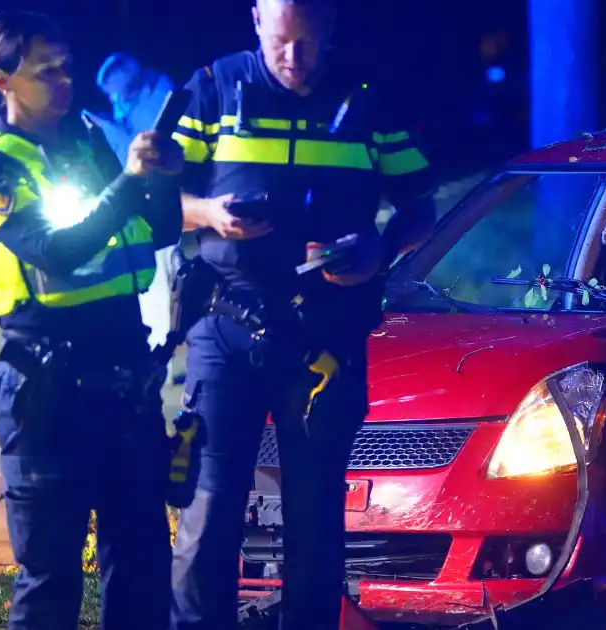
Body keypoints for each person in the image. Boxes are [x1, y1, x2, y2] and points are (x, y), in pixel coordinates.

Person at [168, 0, 437, 628]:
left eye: (308, 42)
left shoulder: (368, 101)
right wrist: (210, 214)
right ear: (256, 20)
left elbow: (419, 207)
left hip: (326, 334)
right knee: (209, 510)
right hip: (226, 323)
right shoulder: (212, 90)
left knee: (315, 516)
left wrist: (378, 249)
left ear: (331, 30)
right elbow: (152, 201)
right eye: (282, 41)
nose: (294, 58)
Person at [0, 10, 184, 630]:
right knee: (52, 579)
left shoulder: (87, 141)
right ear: (2, 81)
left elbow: (158, 229)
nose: (64, 80)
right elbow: (56, 251)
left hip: (125, 382)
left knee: (142, 564)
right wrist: (129, 183)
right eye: (45, 70)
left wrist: (161, 181)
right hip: (47, 389)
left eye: (67, 67)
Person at [93, 53, 186, 359]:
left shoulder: (158, 92)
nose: (113, 96)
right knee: (151, 279)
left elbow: (151, 140)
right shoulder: (127, 100)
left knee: (163, 270)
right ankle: (158, 343)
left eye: (113, 88)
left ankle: (165, 345)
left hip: (157, 191)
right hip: (132, 189)